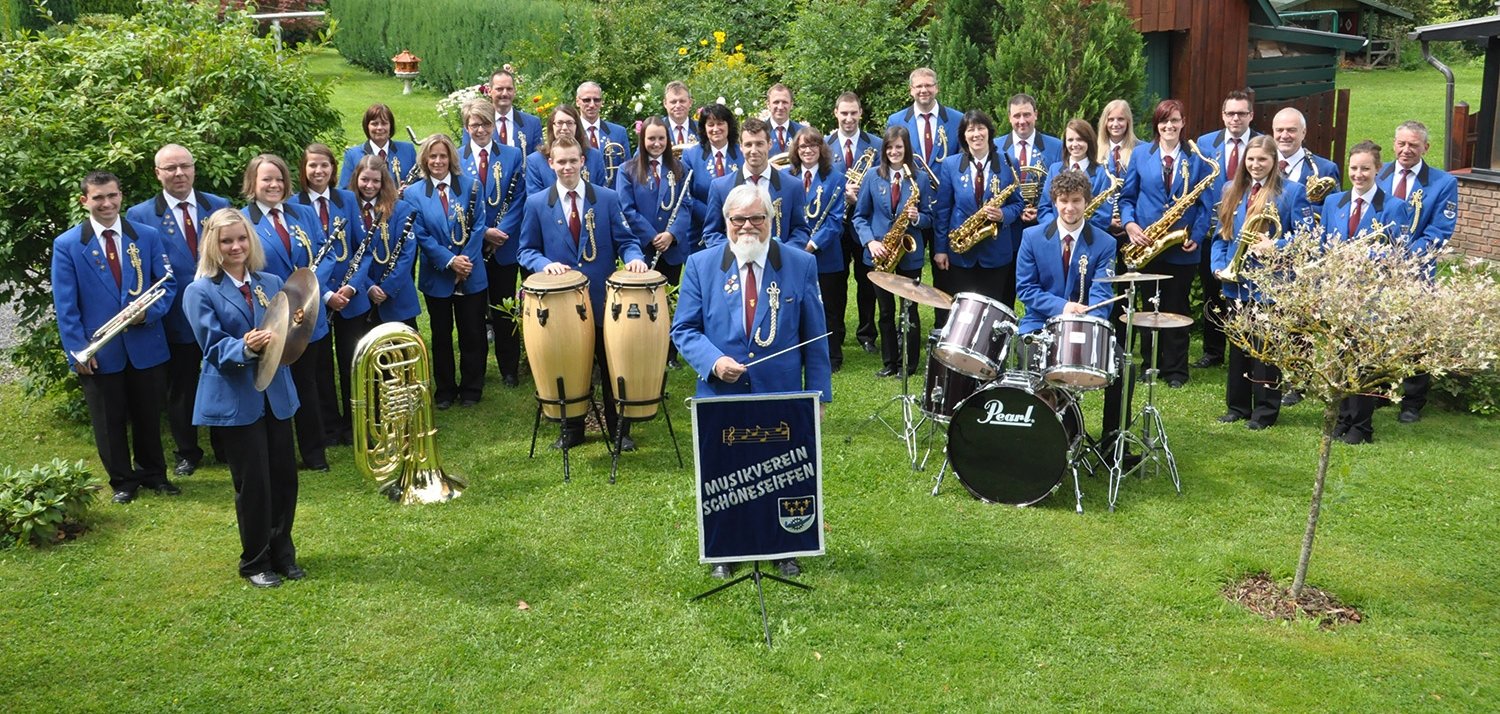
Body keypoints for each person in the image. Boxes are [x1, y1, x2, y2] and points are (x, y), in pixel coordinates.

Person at [670, 184, 831, 579]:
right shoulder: (700, 265)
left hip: (781, 394)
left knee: (784, 472)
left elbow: (816, 337)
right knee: (725, 474)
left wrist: (820, 397)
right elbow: (684, 330)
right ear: (726, 222)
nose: (747, 227)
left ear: (770, 222)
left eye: (756, 219)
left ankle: (785, 546)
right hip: (721, 394)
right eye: (738, 219)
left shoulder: (799, 265)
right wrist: (714, 361)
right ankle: (725, 548)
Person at [182, 209, 301, 588]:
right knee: (253, 485)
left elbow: (286, 338)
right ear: (212, 247)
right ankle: (254, 562)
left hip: (277, 396)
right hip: (236, 400)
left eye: (241, 239)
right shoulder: (199, 290)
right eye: (226, 241)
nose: (235, 247)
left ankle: (283, 552)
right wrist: (245, 347)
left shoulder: (270, 280)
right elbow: (212, 347)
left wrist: (296, 325)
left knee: (284, 479)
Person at [54, 171, 179, 504]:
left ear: (121, 196)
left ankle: (154, 474)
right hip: (101, 350)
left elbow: (167, 283)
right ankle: (123, 481)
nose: (106, 203)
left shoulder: (147, 236)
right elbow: (65, 306)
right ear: (85, 201)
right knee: (109, 421)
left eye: (112, 195)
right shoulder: (67, 245)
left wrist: (147, 313)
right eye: (98, 198)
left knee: (148, 415)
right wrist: (78, 351)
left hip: (145, 344)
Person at [518, 136, 649, 450]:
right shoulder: (537, 203)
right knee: (568, 367)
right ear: (551, 164)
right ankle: (571, 430)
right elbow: (525, 250)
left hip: (603, 302)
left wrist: (635, 258)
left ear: (583, 162)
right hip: (562, 306)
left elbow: (626, 240)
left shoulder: (606, 198)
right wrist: (544, 264)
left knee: (611, 365)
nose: (567, 167)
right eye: (560, 162)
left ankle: (620, 431)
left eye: (572, 161)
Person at [125, 144, 231, 476]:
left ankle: (226, 445)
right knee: (182, 387)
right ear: (157, 174)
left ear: (194, 169)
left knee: (223, 377)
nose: (179, 173)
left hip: (219, 310)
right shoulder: (140, 216)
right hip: (175, 315)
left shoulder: (219, 206)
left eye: (184, 166)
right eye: (170, 168)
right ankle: (188, 450)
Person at [1015, 169, 1133, 461]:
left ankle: (1113, 444)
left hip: (1086, 325)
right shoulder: (1032, 237)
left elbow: (1102, 295)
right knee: (1026, 356)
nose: (1070, 208)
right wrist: (1062, 307)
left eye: (1077, 201)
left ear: (1087, 202)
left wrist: (1082, 318)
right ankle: (1035, 437)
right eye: (1064, 201)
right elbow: (1026, 289)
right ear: (1054, 201)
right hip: (1040, 322)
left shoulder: (1105, 243)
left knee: (1123, 366)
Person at [1210, 135, 1313, 430]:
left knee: (1265, 351)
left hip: (1269, 285)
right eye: (1251, 159)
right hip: (1236, 283)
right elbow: (1221, 235)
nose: (1256, 165)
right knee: (1239, 347)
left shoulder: (1292, 191)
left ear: (1275, 163)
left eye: (1262, 160)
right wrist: (1218, 266)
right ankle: (1238, 406)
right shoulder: (1233, 188)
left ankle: (1265, 411)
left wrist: (1275, 246)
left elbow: (1306, 238)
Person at [241, 154, 331, 472]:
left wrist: (310, 286)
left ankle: (314, 452)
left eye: (279, 178)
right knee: (273, 384)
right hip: (270, 316)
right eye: (267, 179)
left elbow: (325, 251)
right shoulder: (243, 220)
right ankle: (275, 452)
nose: (274, 184)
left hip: (308, 314)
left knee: (308, 383)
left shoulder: (303, 213)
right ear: (253, 183)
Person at [1322, 141, 1414, 445]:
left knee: (1362, 359)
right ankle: (1344, 418)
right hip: (1338, 292)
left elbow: (1397, 254)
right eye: (1354, 168)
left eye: (1365, 168)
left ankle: (1362, 426)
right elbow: (1323, 245)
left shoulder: (1394, 207)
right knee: (1341, 358)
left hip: (1370, 295)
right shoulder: (1333, 201)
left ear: (1378, 170)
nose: (1358, 174)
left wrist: (1362, 257)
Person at [1120, 99, 1212, 389]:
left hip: (1180, 246)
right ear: (1156, 125)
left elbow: (1205, 205)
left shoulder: (1197, 158)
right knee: (1149, 308)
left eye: (1175, 120)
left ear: (1183, 123)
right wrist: (1131, 225)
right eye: (1164, 121)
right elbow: (1126, 198)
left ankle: (1176, 371)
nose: (1169, 126)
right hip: (1147, 244)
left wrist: (1195, 237)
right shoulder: (1139, 155)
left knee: (1177, 307)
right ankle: (1150, 364)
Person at [1378, 119, 1459, 425]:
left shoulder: (1442, 183)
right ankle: (1380, 390)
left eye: (1413, 145)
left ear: (1426, 147)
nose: (1406, 150)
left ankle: (1411, 401)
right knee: (1378, 331)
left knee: (1415, 337)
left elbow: (1440, 231)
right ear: (1394, 144)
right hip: (1377, 270)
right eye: (1401, 143)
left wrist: (1403, 257)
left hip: (1417, 271)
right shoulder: (1381, 173)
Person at [408, 133, 486, 409]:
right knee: (441, 335)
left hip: (471, 272)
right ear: (425, 160)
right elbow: (421, 234)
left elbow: (479, 226)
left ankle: (472, 388)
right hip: (437, 275)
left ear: (451, 158)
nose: (438, 161)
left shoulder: (471, 186)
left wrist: (464, 261)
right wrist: (450, 261)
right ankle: (445, 390)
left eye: (443, 156)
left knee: (472, 332)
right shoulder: (412, 193)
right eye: (432, 156)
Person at [294, 143, 366, 446]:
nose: (318, 171)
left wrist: (350, 287)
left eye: (324, 165)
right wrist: (325, 295)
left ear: (333, 169)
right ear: (303, 170)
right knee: (319, 367)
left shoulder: (348, 199)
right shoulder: (292, 205)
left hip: (350, 296)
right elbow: (297, 259)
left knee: (353, 361)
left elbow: (364, 247)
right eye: (312, 166)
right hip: (314, 300)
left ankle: (355, 424)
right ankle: (329, 427)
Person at [458, 99, 527, 387]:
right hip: (471, 245)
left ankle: (509, 368)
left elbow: (519, 197)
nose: (481, 129)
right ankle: (475, 373)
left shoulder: (511, 155)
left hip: (504, 246)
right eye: (474, 124)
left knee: (504, 309)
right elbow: (458, 202)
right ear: (466, 127)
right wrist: (485, 231)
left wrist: (501, 232)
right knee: (473, 313)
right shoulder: (457, 158)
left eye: (485, 123)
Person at [855, 125, 933, 377]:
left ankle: (908, 365)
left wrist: (917, 217)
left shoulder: (919, 178)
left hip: (909, 254)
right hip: (880, 253)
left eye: (899, 147)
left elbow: (931, 218)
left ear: (906, 148)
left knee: (909, 309)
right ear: (884, 149)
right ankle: (889, 363)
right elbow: (860, 216)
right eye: (889, 147)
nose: (894, 151)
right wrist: (870, 242)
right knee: (886, 310)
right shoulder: (872, 176)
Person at [1192, 90, 1260, 369]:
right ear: (1223, 115)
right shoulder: (1206, 143)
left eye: (1241, 113)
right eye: (1231, 113)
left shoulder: (1260, 144)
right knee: (1213, 292)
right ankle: (1213, 350)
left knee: (1247, 294)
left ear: (1251, 116)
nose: (1235, 118)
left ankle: (1244, 351)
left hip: (1247, 231)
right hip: (1214, 231)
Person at [617, 116, 693, 366]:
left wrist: (671, 234)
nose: (656, 143)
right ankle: (644, 349)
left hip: (670, 249)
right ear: (643, 139)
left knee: (669, 301)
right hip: (644, 248)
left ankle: (669, 353)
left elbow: (685, 205)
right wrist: (652, 236)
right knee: (643, 302)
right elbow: (626, 209)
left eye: (661, 138)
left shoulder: (678, 169)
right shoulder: (627, 170)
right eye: (651, 138)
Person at [933, 109, 1025, 305]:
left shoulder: (1009, 163)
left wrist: (1002, 214)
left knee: (994, 309)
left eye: (981, 128)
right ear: (963, 136)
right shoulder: (950, 164)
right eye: (970, 130)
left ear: (989, 132)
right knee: (962, 309)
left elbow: (1018, 203)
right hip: (961, 253)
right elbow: (942, 210)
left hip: (996, 252)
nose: (976, 134)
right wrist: (940, 249)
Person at [786, 126, 847, 371]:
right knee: (796, 305)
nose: (808, 150)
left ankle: (832, 356)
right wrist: (795, 247)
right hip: (792, 253)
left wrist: (810, 245)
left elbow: (835, 221)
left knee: (829, 308)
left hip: (826, 255)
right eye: (802, 146)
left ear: (821, 148)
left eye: (813, 145)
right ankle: (799, 353)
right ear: (796, 150)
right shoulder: (785, 176)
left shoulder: (836, 177)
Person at [996, 93, 1064, 303]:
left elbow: (1062, 187)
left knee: (1043, 289)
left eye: (1027, 114)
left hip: (1043, 227)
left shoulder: (1056, 146)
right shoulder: (995, 147)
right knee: (1004, 292)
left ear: (1036, 115)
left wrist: (1042, 210)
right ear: (1009, 118)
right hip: (1007, 230)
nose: (1022, 121)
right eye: (1017, 116)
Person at [829, 92, 883, 356]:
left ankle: (867, 334)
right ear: (835, 114)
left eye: (853, 113)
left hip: (866, 224)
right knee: (836, 281)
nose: (849, 118)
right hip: (835, 226)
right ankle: (835, 333)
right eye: (844, 113)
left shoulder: (877, 144)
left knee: (867, 280)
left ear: (861, 113)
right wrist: (842, 193)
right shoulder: (824, 145)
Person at [700, 118, 808, 250]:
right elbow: (711, 233)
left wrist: (783, 254)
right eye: (748, 144)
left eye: (759, 144)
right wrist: (736, 254)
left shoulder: (793, 186)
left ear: (770, 144)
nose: (754, 150)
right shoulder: (720, 187)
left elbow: (800, 230)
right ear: (741, 147)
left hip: (779, 266)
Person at [355, 156, 421, 331]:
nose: (369, 186)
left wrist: (387, 288)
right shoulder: (349, 209)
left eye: (376, 181)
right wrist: (369, 287)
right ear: (356, 179)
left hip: (397, 296)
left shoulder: (401, 209)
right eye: (364, 179)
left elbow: (407, 254)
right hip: (362, 297)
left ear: (384, 182)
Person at [681, 103, 743, 254]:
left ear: (729, 125)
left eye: (721, 123)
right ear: (704, 128)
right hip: (700, 230)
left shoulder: (743, 153)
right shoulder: (691, 155)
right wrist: (714, 216)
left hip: (741, 228)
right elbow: (686, 195)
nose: (716, 129)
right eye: (711, 124)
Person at [1037, 119, 1115, 234]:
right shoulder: (1054, 169)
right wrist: (1057, 229)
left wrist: (1078, 232)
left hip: (1088, 238)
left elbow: (1103, 216)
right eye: (1070, 140)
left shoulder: (1102, 173)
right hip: (1056, 236)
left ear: (1089, 141)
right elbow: (1044, 208)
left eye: (1080, 139)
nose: (1075, 144)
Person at [885, 68, 962, 166]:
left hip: (946, 181)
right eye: (919, 86)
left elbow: (963, 160)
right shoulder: (895, 121)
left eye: (928, 85)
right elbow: (890, 160)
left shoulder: (957, 119)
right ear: (911, 90)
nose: (924, 90)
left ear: (936, 88)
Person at [524, 104, 609, 194]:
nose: (564, 128)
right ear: (551, 126)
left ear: (577, 126)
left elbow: (601, 195)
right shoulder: (535, 161)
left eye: (569, 123)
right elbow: (535, 202)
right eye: (559, 123)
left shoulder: (594, 156)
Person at [338, 104, 419, 189]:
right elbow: (345, 190)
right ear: (367, 126)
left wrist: (409, 191)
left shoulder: (408, 150)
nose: (379, 127)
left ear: (390, 126)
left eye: (384, 123)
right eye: (374, 124)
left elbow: (419, 185)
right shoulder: (352, 155)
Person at [576, 81, 633, 185]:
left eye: (596, 100)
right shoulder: (572, 133)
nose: (592, 105)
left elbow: (628, 171)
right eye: (586, 100)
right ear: (577, 101)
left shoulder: (619, 132)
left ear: (602, 102)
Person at [489, 68, 545, 155]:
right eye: (499, 89)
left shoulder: (533, 124)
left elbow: (538, 161)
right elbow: (466, 160)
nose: (505, 93)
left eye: (509, 89)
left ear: (514, 91)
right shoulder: (475, 124)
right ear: (489, 91)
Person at [765, 83, 803, 156]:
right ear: (768, 104)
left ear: (791, 105)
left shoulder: (802, 132)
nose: (780, 107)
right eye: (776, 102)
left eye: (784, 102)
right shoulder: (760, 132)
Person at [662, 80, 698, 150]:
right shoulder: (656, 129)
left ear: (690, 102)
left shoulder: (701, 130)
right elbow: (639, 158)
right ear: (665, 103)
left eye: (682, 101)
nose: (678, 105)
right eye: (673, 102)